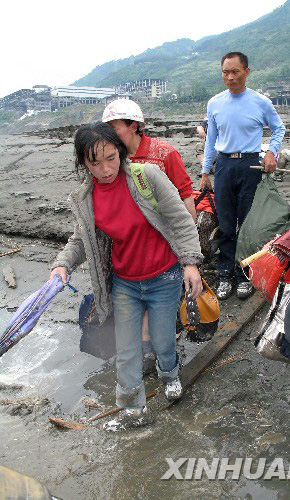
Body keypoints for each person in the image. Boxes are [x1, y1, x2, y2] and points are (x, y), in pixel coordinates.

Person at [50, 122, 203, 431]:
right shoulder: (86, 198)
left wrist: (190, 263)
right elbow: (81, 240)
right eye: (95, 162)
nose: (105, 168)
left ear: (119, 151)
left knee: (162, 341)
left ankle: (170, 373)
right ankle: (132, 407)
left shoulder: (146, 177)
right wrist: (62, 264)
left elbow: (181, 220)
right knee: (128, 348)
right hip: (125, 283)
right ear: (83, 163)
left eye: (110, 157)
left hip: (164, 277)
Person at [102, 99, 197, 374]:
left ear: (134, 126)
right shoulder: (113, 160)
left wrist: (187, 246)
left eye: (114, 127)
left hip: (163, 245)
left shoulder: (163, 153)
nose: (109, 135)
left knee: (160, 302)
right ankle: (149, 352)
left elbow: (184, 194)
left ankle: (164, 355)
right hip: (131, 246)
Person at [200, 51, 285, 300]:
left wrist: (272, 152)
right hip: (224, 166)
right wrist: (206, 171)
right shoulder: (215, 103)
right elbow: (211, 140)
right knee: (226, 225)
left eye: (235, 72)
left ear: (247, 72)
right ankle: (226, 273)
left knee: (247, 225)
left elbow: (279, 128)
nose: (230, 77)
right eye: (225, 72)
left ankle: (245, 273)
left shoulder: (260, 102)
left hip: (251, 166)